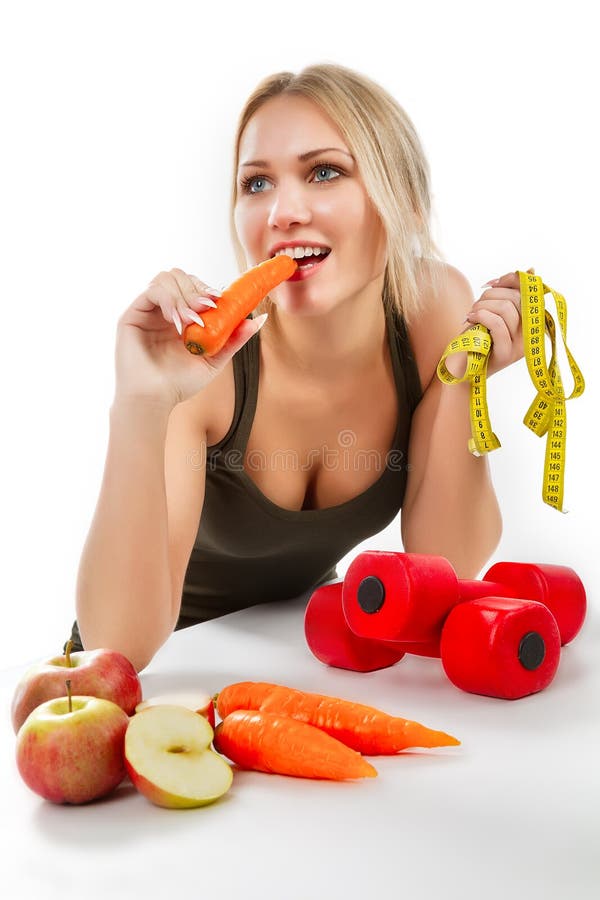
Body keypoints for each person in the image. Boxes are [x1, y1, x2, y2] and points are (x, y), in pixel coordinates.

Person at [67, 63, 525, 672]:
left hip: (294, 661)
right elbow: (116, 646)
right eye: (256, 184)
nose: (282, 212)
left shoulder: (430, 306)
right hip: (155, 683)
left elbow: (446, 562)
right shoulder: (205, 364)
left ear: (408, 204)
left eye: (325, 172)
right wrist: (141, 404)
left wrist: (464, 378)